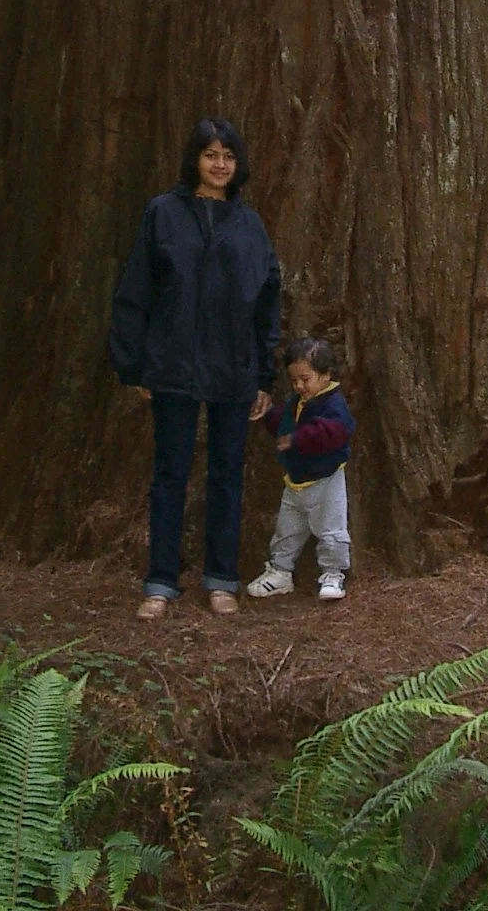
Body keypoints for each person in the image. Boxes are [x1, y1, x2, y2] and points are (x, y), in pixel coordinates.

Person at [108, 118, 281, 619]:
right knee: (170, 474)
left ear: (238, 164)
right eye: (210, 154)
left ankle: (222, 578)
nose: (219, 163)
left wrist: (263, 376)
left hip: (233, 369)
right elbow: (135, 289)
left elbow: (267, 300)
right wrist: (135, 365)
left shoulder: (249, 226)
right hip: (172, 365)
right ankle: (160, 582)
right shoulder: (163, 214)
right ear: (195, 160)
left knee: (227, 474)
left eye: (228, 155)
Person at [246, 335, 355, 602]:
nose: (298, 386)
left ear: (326, 374)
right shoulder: (298, 402)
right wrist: (268, 415)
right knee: (286, 530)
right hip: (295, 482)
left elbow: (333, 433)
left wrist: (296, 439)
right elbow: (284, 422)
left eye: (305, 379)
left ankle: (332, 573)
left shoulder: (334, 405)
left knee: (331, 531)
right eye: (294, 380)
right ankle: (280, 571)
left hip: (326, 482)